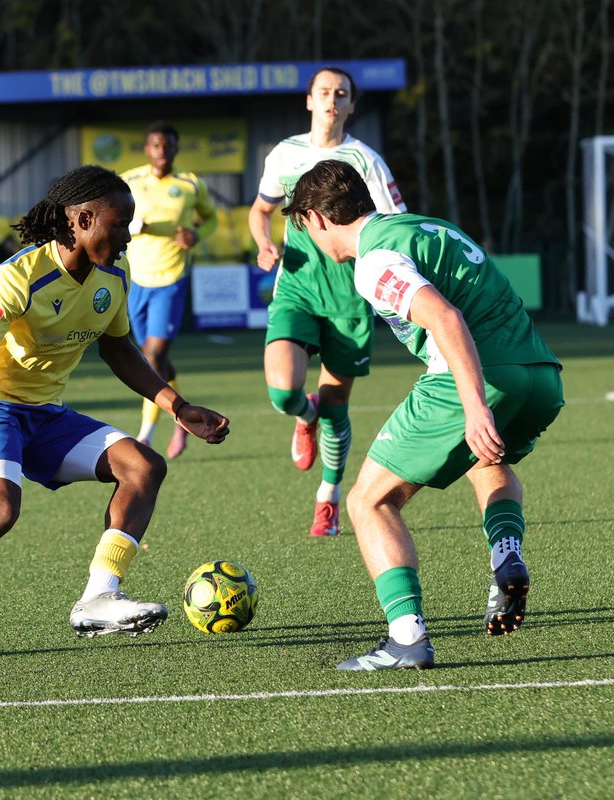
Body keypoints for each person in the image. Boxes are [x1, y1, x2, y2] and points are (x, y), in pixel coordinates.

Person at [0, 165, 230, 665]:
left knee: (143, 465)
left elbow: (120, 351)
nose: (128, 235)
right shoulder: (17, 276)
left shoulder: (114, 278)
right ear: (81, 219)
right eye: (119, 224)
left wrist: (178, 407)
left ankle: (98, 598)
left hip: (45, 415)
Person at [282, 159, 563, 670]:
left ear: (316, 219)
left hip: (482, 377)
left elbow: (445, 316)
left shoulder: (373, 260)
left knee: (370, 502)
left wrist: (475, 405)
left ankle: (406, 638)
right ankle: (505, 553)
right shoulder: (424, 227)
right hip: (540, 373)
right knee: (486, 461)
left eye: (303, 228)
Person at [248, 66, 408, 538]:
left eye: (342, 93)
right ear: (310, 100)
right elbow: (261, 210)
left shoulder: (366, 161)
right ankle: (304, 416)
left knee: (338, 406)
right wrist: (263, 243)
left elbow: (393, 226)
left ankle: (328, 500)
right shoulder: (285, 154)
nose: (333, 100)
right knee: (283, 391)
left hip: (350, 298)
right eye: (325, 92)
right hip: (296, 287)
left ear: (352, 105)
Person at [121, 122, 218, 459]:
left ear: (176, 149)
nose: (162, 151)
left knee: (151, 358)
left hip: (171, 280)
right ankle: (184, 417)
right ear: (147, 149)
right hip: (136, 282)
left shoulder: (190, 184)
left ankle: (145, 434)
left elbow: (211, 219)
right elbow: (116, 219)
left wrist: (197, 235)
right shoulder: (129, 182)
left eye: (168, 146)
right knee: (157, 360)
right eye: (156, 146)